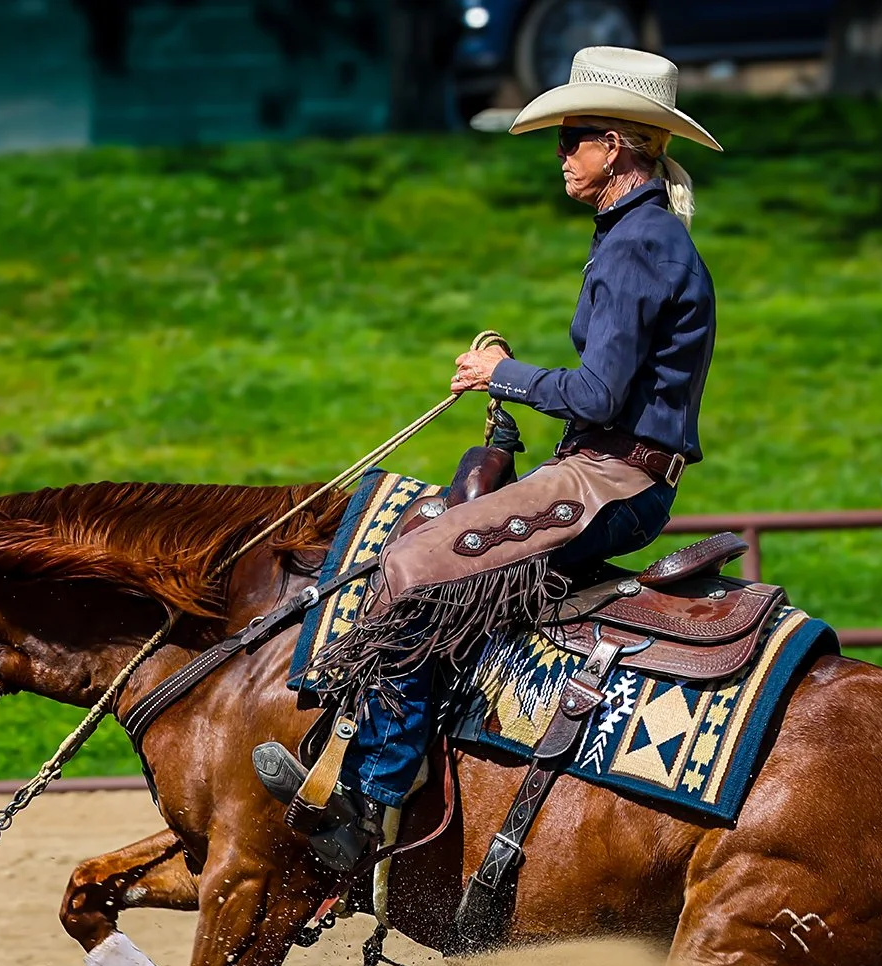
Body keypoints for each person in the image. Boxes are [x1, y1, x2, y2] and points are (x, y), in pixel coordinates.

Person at [255, 46, 721, 869]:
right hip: (610, 473)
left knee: (418, 565)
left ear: (616, 144)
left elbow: (602, 397)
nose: (561, 153)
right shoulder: (640, 236)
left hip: (609, 482)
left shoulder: (637, 246)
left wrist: (498, 373)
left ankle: (371, 801)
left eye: (573, 136)